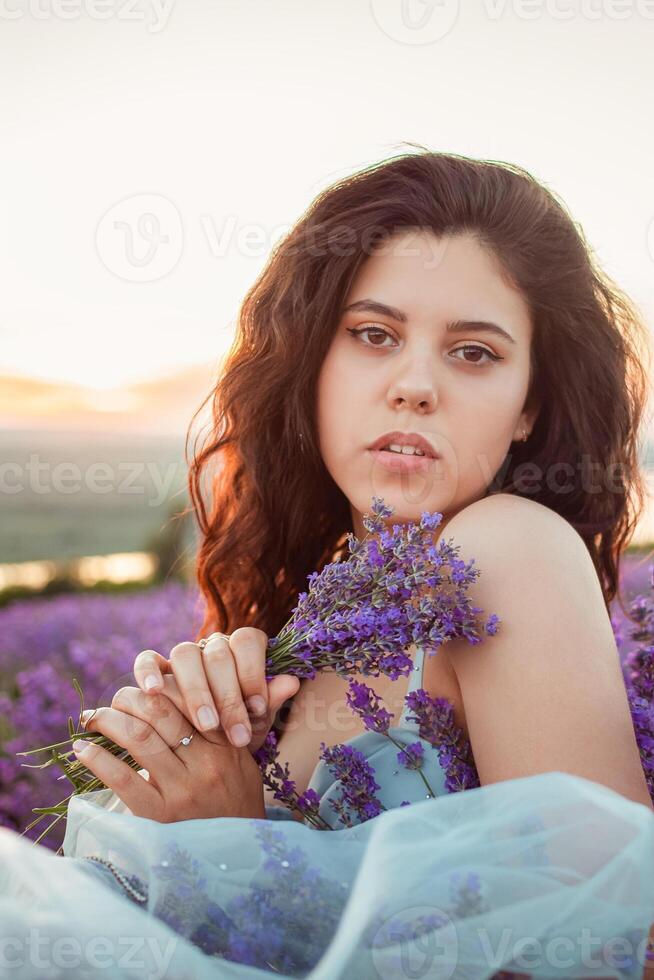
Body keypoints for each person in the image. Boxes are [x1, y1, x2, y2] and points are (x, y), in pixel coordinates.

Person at [2, 146, 654, 979]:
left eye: (474, 352)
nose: (416, 385)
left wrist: (232, 858)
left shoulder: (506, 547)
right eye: (373, 335)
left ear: (529, 405)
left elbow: (602, 954)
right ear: (314, 364)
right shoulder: (308, 624)